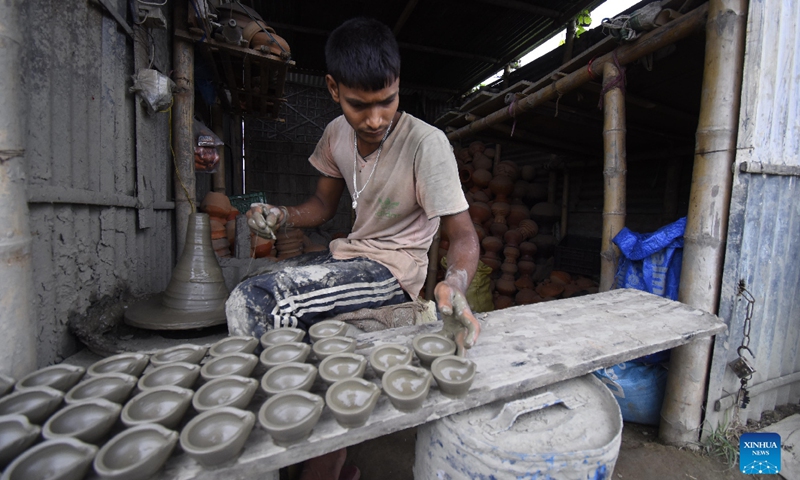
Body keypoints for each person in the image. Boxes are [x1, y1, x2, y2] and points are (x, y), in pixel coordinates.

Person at [225, 17, 481, 480]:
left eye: (388, 101)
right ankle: (314, 454)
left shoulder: (427, 144)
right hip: (352, 255)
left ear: (399, 85)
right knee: (252, 281)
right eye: (359, 106)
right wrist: (283, 215)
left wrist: (455, 283)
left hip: (394, 271)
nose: (376, 119)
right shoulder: (335, 135)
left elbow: (464, 237)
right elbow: (322, 207)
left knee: (256, 301)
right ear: (332, 88)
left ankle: (278, 456)